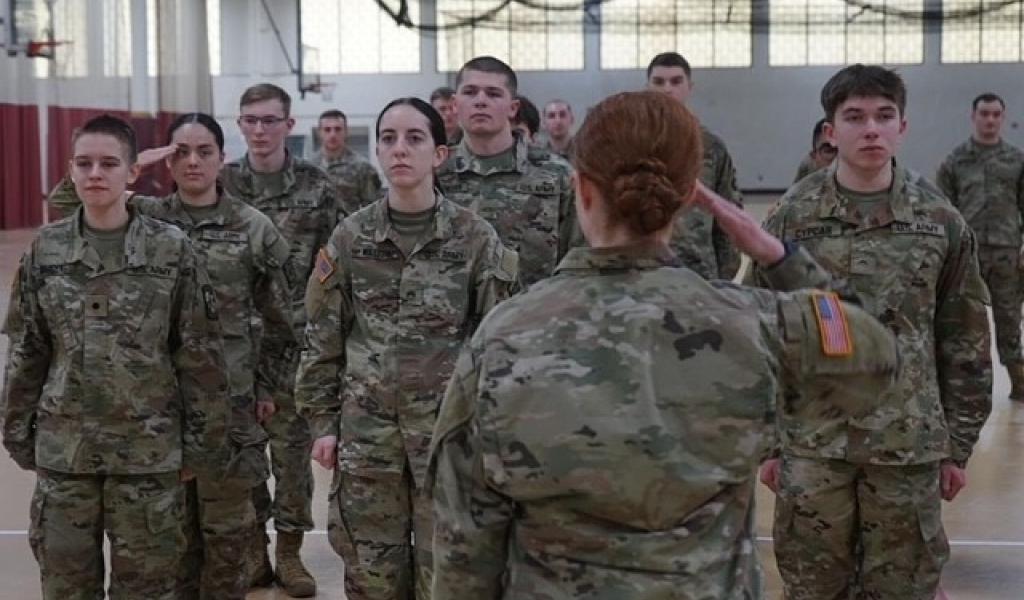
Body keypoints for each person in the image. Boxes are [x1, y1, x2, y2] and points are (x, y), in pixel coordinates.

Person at [428, 90, 901, 599]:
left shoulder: (504, 337)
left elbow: (465, 542)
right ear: (685, 198)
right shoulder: (752, 326)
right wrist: (777, 255)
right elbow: (875, 354)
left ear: (582, 190)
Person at [752, 64, 993, 600]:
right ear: (830, 131)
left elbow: (966, 339)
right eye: (855, 117)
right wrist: (766, 442)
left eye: (885, 117)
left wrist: (958, 447)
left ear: (902, 127)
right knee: (814, 589)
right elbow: (761, 333)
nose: (871, 130)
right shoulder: (791, 220)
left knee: (904, 589)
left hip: (908, 448)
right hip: (812, 446)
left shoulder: (940, 221)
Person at [46, 113, 299, 600]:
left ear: (223, 158)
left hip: (233, 408)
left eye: (204, 150)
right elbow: (67, 202)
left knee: (230, 542)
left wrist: (268, 387)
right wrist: (132, 162)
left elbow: (285, 323)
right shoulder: (148, 220)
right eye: (180, 151)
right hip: (160, 415)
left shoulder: (253, 228)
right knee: (167, 540)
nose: (192, 161)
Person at [295, 97, 519, 600]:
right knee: (372, 573)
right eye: (389, 139)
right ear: (376, 151)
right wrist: (321, 424)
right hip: (367, 439)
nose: (400, 149)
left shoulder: (475, 238)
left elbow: (497, 344)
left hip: (448, 439)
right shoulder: (352, 238)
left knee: (447, 572)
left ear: (440, 154)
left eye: (415, 138)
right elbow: (323, 337)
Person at [1, 114, 230, 599]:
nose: (95, 174)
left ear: (132, 173)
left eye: (108, 163)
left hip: (148, 455)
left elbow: (199, 355)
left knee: (146, 589)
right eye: (84, 164)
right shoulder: (46, 250)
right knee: (66, 587)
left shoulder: (171, 251)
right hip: (66, 454)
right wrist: (18, 432)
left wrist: (200, 445)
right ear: (70, 170)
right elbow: (28, 349)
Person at [220, 82, 342, 597]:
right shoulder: (221, 185)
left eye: (271, 120)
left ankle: (289, 554)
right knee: (243, 458)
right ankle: (252, 553)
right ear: (240, 124)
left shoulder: (318, 187)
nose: (260, 130)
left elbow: (337, 270)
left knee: (293, 461)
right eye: (251, 120)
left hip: (296, 348)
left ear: (289, 125)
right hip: (233, 351)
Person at [438, 55, 580, 287]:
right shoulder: (435, 172)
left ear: (513, 108)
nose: (480, 101)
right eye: (470, 92)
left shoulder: (556, 174)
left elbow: (577, 257)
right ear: (455, 104)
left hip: (532, 315)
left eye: (493, 94)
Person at [936, 93, 1024, 399]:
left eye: (996, 114)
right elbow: (944, 210)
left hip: (1006, 252)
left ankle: (1019, 379)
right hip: (967, 254)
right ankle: (963, 384)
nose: (990, 120)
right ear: (973, 116)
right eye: (984, 113)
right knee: (963, 318)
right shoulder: (955, 161)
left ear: (1002, 117)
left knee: (1009, 316)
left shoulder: (1017, 159)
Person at [647, 51, 744, 280]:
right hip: (644, 272)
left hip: (700, 274)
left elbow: (728, 212)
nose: (667, 89)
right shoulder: (632, 142)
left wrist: (722, 278)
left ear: (689, 86)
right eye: (659, 82)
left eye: (676, 81)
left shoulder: (710, 148)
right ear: (648, 86)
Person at [311, 109, 383, 215]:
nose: (332, 134)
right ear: (319, 132)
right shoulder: (308, 166)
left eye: (338, 129)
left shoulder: (362, 168)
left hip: (348, 229)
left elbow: (374, 209)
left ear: (346, 132)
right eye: (327, 130)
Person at [793, 118, 837, 183]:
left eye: (846, 151)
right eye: (829, 151)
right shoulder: (807, 166)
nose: (839, 160)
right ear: (814, 156)